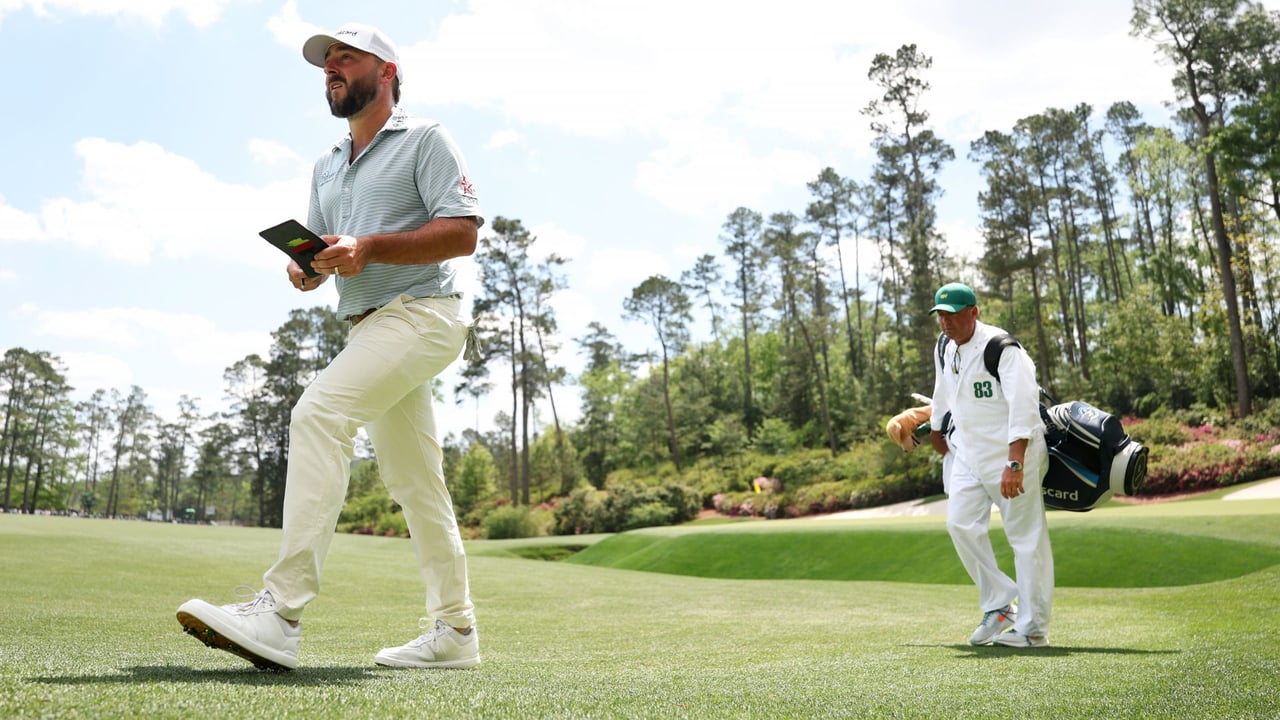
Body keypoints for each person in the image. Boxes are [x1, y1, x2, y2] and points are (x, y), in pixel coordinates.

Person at [176, 22, 484, 671]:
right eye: (326, 63)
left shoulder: (426, 139)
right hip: (370, 325)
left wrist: (367, 248)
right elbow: (322, 254)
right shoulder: (326, 164)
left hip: (425, 312)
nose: (332, 69)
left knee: (319, 412)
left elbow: (461, 234)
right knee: (415, 483)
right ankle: (456, 632)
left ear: (388, 72)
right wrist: (308, 269)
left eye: (346, 58)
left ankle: (281, 612)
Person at [927, 282, 1054, 648]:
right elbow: (942, 390)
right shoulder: (943, 346)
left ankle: (1032, 629)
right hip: (967, 453)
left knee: (1026, 540)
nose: (946, 323)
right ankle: (1000, 605)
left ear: (974, 312)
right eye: (940, 315)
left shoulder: (1002, 349)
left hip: (1014, 456)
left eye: (952, 315)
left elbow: (1024, 405)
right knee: (960, 523)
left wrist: (1015, 461)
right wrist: (937, 429)